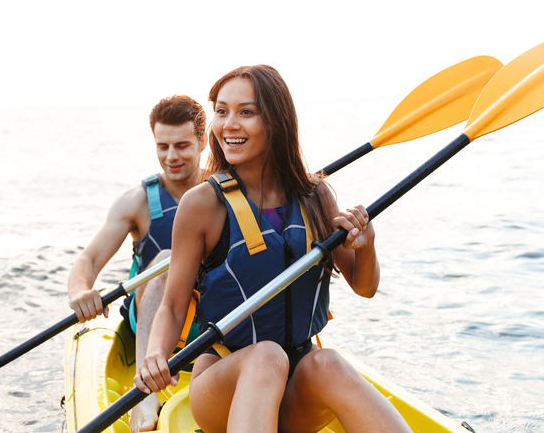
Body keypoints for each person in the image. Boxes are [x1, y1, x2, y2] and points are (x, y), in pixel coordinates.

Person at [134, 66, 412, 433]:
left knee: (329, 362)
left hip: (297, 385)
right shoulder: (201, 203)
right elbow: (171, 305)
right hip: (222, 382)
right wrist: (155, 353)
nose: (229, 124)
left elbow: (365, 287)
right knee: (266, 356)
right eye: (221, 111)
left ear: (276, 121)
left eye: (246, 112)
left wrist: (367, 244)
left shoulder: (315, 197)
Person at [67, 94, 207, 432]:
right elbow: (88, 259)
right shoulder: (137, 202)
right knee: (165, 259)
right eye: (163, 146)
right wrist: (80, 291)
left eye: (182, 146)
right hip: (150, 311)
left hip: (204, 315)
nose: (170, 157)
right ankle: (146, 389)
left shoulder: (222, 190)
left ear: (203, 141)